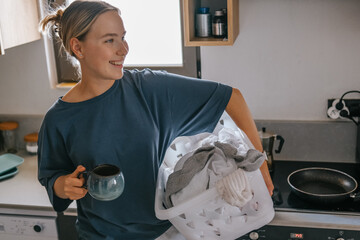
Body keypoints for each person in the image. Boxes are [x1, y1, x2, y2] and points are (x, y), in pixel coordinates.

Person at [38, 1, 274, 239]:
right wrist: (63, 185)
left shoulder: (149, 89)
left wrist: (261, 169)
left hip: (163, 233)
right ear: (78, 48)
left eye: (123, 37)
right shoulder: (58, 119)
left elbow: (232, 98)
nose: (123, 49)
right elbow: (52, 177)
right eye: (110, 40)